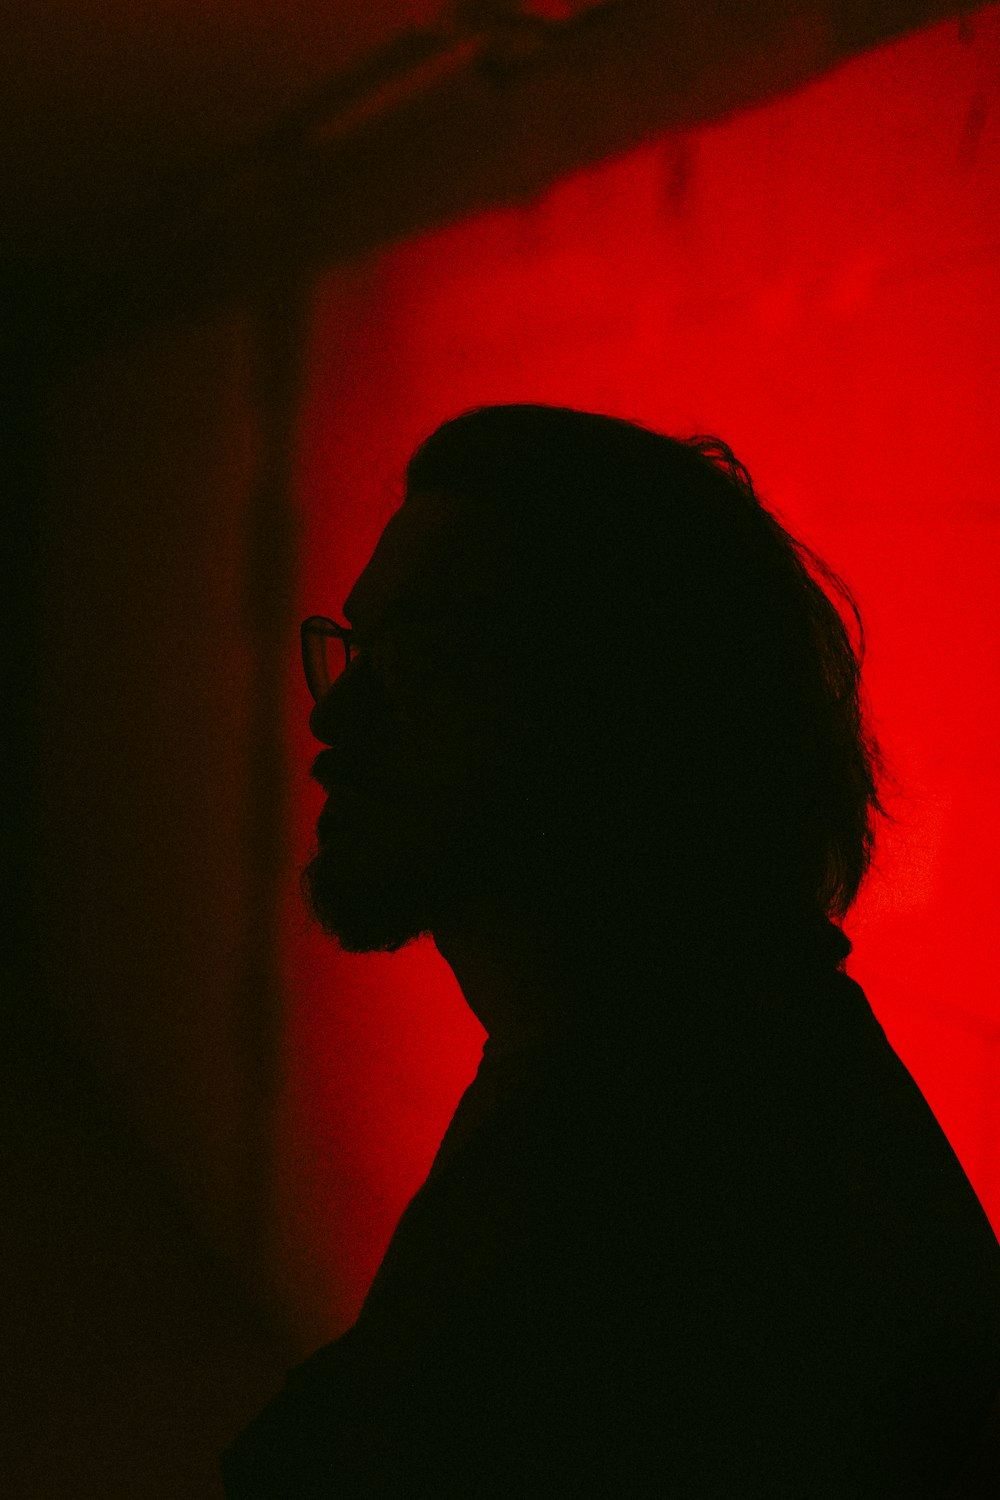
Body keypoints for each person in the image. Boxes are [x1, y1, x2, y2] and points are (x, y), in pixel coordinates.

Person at [222, 405, 1000, 1496]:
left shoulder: (663, 1233)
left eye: (429, 655)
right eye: (359, 645)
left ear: (623, 717)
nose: (337, 715)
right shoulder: (698, 1058)